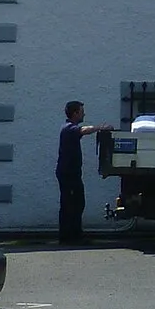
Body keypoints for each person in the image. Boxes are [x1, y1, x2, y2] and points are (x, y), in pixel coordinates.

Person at [56, 101, 109, 244]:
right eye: (81, 111)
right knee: (71, 204)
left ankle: (73, 234)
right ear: (75, 113)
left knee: (77, 203)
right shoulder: (69, 128)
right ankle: (69, 236)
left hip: (71, 173)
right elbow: (84, 130)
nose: (84, 114)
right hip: (68, 174)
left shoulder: (69, 128)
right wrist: (100, 128)